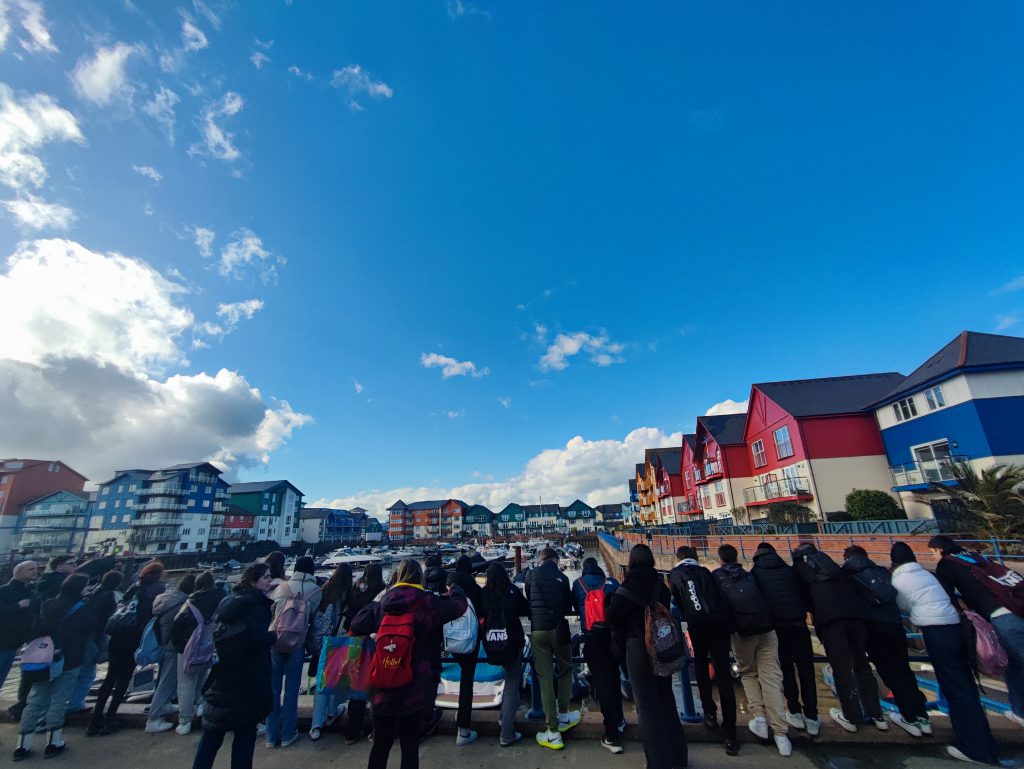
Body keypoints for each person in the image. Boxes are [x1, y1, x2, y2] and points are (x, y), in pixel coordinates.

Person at [891, 542, 1002, 765]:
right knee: (966, 687)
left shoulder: (899, 579)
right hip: (957, 628)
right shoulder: (928, 574)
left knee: (955, 689)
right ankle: (985, 744)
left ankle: (976, 749)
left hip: (937, 633)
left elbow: (902, 606)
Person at [350, 559, 468, 769]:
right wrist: (456, 589)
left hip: (383, 681)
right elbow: (458, 608)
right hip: (414, 684)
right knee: (410, 745)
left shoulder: (384, 601)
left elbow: (357, 623)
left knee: (381, 743)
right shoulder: (427, 602)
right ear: (419, 577)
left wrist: (379, 602)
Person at [929, 534, 1024, 729]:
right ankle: (1019, 710)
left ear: (939, 550)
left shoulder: (947, 564)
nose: (933, 557)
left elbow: (946, 597)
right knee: (1015, 665)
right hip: (1017, 609)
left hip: (1002, 616)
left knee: (1017, 663)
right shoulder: (977, 557)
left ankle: (1020, 711)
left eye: (932, 553)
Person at [606, 544, 687, 769]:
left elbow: (611, 617)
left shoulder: (628, 587)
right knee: (666, 700)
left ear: (631, 562)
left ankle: (657, 762)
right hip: (662, 646)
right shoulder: (660, 585)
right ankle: (679, 758)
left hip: (638, 649)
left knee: (647, 707)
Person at [792, 542, 884, 733]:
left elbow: (800, 599)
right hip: (857, 618)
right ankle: (877, 714)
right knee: (862, 664)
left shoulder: (801, 569)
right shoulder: (833, 565)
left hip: (831, 621)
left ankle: (851, 715)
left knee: (841, 668)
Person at [191, 563, 276, 769]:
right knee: (244, 738)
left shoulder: (228, 602)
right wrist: (273, 636)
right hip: (247, 681)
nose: (270, 581)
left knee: (212, 735)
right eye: (265, 577)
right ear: (253, 581)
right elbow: (258, 639)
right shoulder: (257, 606)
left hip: (222, 678)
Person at [842, 545, 929, 736]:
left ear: (846, 558)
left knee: (885, 671)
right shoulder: (882, 571)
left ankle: (902, 717)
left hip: (871, 628)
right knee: (903, 669)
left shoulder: (847, 574)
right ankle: (921, 716)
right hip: (895, 626)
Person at [713, 545, 791, 757]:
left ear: (720, 559)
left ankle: (759, 718)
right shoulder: (750, 574)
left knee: (748, 672)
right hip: (767, 627)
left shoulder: (718, 578)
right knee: (772, 678)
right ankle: (782, 734)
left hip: (743, 631)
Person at [14, 573, 96, 761]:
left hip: (43, 657)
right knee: (59, 699)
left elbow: (37, 627)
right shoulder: (82, 608)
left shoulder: (49, 604)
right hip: (69, 658)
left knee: (36, 700)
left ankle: (22, 744)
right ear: (80, 588)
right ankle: (53, 741)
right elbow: (92, 627)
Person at [669, 546, 738, 755]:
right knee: (724, 674)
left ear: (678, 559)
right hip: (719, 625)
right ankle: (730, 734)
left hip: (697, 626)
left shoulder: (675, 575)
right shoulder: (707, 572)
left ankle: (709, 713)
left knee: (700, 664)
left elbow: (678, 602)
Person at [89, 560, 165, 736]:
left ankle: (95, 721)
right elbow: (154, 615)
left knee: (110, 677)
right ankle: (110, 718)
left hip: (117, 637)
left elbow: (119, 608)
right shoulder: (157, 590)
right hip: (135, 638)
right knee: (123, 678)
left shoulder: (134, 588)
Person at [750, 542, 819, 736]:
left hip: (777, 628)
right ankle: (812, 716)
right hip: (799, 624)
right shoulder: (790, 571)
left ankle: (794, 711)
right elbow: (805, 597)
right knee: (807, 669)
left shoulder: (756, 573)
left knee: (785, 668)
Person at [526, 547, 580, 750]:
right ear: (556, 560)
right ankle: (564, 714)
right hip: (559, 629)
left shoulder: (532, 574)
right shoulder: (562, 578)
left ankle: (552, 731)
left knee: (545, 677)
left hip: (538, 630)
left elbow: (529, 599)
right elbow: (567, 606)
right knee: (566, 669)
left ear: (541, 559)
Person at [266, 556, 320, 748]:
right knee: (291, 690)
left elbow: (271, 612)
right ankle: (288, 733)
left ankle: (271, 735)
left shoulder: (281, 588)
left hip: (275, 640)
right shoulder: (315, 591)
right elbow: (314, 619)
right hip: (297, 642)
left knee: (272, 689)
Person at [574, 556, 625, 753]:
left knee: (602, 684)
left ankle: (611, 735)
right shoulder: (611, 583)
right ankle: (619, 720)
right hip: (613, 639)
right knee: (614, 679)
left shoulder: (578, 585)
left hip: (592, 640)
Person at [480, 562, 530, 747]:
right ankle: (507, 733)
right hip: (513, 643)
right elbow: (525, 609)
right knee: (511, 684)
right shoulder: (511, 591)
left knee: (507, 681)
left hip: (491, 644)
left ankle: (504, 717)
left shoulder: (483, 593)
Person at [172, 571, 225, 735]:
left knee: (185, 683)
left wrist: (179, 645)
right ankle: (202, 706)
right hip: (211, 647)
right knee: (203, 678)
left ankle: (185, 720)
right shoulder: (221, 601)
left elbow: (177, 626)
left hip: (189, 648)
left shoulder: (191, 602)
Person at [308, 563, 354, 741]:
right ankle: (332, 712)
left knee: (322, 682)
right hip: (338, 640)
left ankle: (316, 725)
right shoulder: (347, 594)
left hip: (321, 641)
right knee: (337, 678)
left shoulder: (324, 590)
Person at [145, 573, 196, 732]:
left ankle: (163, 706)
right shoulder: (182, 603)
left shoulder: (165, 599)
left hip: (164, 643)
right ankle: (153, 717)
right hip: (175, 646)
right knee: (167, 681)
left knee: (165, 680)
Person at [345, 563, 386, 745]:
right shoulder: (383, 593)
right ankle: (378, 731)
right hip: (378, 643)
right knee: (379, 687)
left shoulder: (357, 594)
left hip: (358, 642)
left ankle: (352, 732)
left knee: (358, 686)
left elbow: (350, 620)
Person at [69, 570, 121, 715]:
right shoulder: (108, 596)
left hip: (83, 637)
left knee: (77, 671)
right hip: (93, 636)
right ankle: (75, 703)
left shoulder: (93, 594)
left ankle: (72, 702)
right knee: (87, 671)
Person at [448, 555, 484, 746]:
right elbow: (481, 611)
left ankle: (428, 717)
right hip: (469, 639)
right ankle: (463, 728)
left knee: (439, 670)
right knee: (467, 679)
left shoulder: (449, 586)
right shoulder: (474, 588)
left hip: (450, 638)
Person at [0, 561, 39, 692]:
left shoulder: (32, 591)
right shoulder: (5, 591)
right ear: (18, 572)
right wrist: (17, 606)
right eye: (30, 569)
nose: (34, 571)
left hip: (15, 642)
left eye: (35, 569)